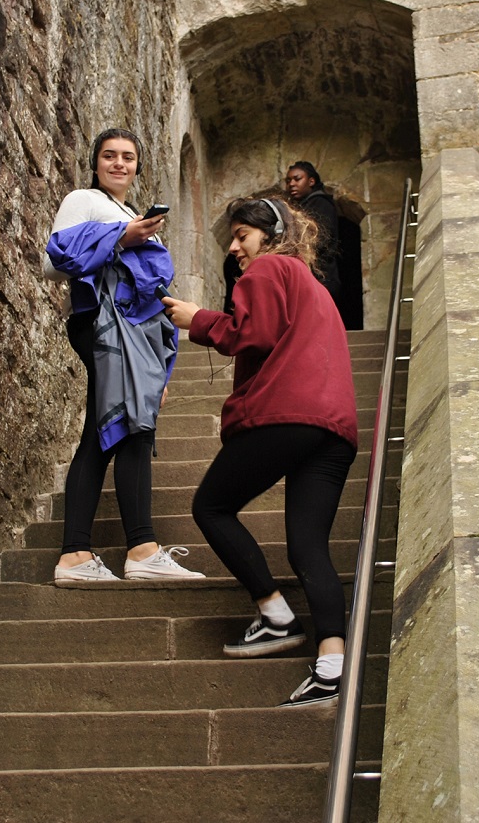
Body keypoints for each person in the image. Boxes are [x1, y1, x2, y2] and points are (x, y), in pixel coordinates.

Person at [160, 196, 360, 707]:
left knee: (211, 506)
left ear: (267, 236)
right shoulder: (312, 286)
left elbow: (254, 333)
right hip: (332, 429)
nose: (233, 247)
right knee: (308, 546)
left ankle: (275, 615)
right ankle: (332, 667)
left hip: (286, 414)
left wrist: (194, 318)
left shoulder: (270, 268)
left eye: (242, 236)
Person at [41, 128, 202, 584]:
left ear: (137, 166)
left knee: (101, 433)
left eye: (128, 157)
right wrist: (119, 238)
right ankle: (140, 548)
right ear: (95, 163)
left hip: (136, 333)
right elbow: (52, 263)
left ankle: (76, 553)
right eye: (109, 156)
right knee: (130, 426)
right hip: (103, 328)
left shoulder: (132, 213)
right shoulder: (84, 200)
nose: (118, 164)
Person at [284, 161, 363, 329]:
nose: (291, 184)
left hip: (321, 278)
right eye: (288, 180)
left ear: (311, 181)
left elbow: (319, 240)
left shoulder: (319, 204)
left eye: (297, 179)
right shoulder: (306, 206)